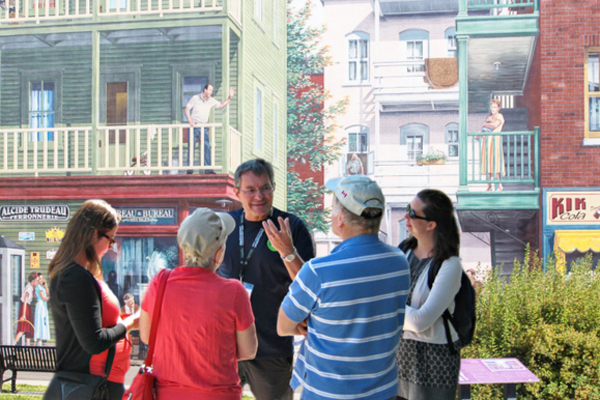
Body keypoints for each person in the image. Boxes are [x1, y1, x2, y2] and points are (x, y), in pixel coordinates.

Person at [277, 175, 410, 400]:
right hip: (383, 392)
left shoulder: (318, 271)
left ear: (340, 218)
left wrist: (305, 323)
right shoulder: (399, 262)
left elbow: (283, 326)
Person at [218, 158, 315, 400]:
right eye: (250, 190)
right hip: (225, 344)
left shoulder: (291, 226)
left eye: (265, 188)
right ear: (237, 192)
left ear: (273, 188)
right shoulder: (225, 226)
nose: (259, 196)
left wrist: (287, 251)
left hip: (271, 346)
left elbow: (308, 285)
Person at [139, 208, 257, 399]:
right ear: (219, 254)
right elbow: (248, 350)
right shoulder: (234, 291)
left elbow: (146, 336)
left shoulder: (159, 282)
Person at [45, 200, 139, 400]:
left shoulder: (78, 273)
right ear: (94, 234)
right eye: (111, 239)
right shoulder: (75, 277)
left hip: (96, 384)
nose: (111, 246)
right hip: (91, 386)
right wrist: (130, 323)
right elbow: (94, 342)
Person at [396, 189, 463, 400]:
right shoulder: (402, 253)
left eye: (413, 214)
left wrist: (384, 306)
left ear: (431, 225)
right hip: (398, 358)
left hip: (433, 365)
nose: (406, 216)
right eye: (407, 210)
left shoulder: (450, 265)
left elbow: (419, 322)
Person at [184, 83, 235, 174]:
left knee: (206, 147)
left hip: (203, 127)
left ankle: (208, 170)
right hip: (194, 126)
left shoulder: (211, 100)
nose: (211, 92)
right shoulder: (195, 98)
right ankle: (189, 170)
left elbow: (221, 105)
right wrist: (190, 120)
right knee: (191, 148)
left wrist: (229, 97)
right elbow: (187, 109)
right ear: (205, 90)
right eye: (210, 90)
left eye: (212, 90)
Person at [479, 98, 506, 191]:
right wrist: (484, 128)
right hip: (487, 141)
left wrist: (485, 124)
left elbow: (494, 125)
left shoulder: (500, 116)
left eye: (495, 107)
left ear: (498, 108)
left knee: (496, 161)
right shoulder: (489, 117)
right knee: (487, 162)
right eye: (492, 107)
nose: (493, 108)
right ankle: (489, 185)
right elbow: (484, 128)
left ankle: (499, 184)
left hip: (495, 141)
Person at [14, 272, 38, 346]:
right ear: (33, 280)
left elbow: (35, 296)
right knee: (23, 329)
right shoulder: (28, 289)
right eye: (36, 280)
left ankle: (28, 350)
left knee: (28, 330)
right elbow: (25, 301)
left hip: (28, 307)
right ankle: (12, 343)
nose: (37, 282)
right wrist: (23, 314)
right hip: (25, 308)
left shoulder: (31, 287)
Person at [34, 273, 51, 346]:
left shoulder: (42, 287)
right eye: (40, 279)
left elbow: (47, 294)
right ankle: (39, 341)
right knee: (40, 322)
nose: (41, 280)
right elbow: (44, 298)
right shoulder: (38, 288)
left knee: (43, 322)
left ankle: (41, 341)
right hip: (41, 306)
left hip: (43, 306)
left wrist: (45, 285)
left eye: (42, 278)